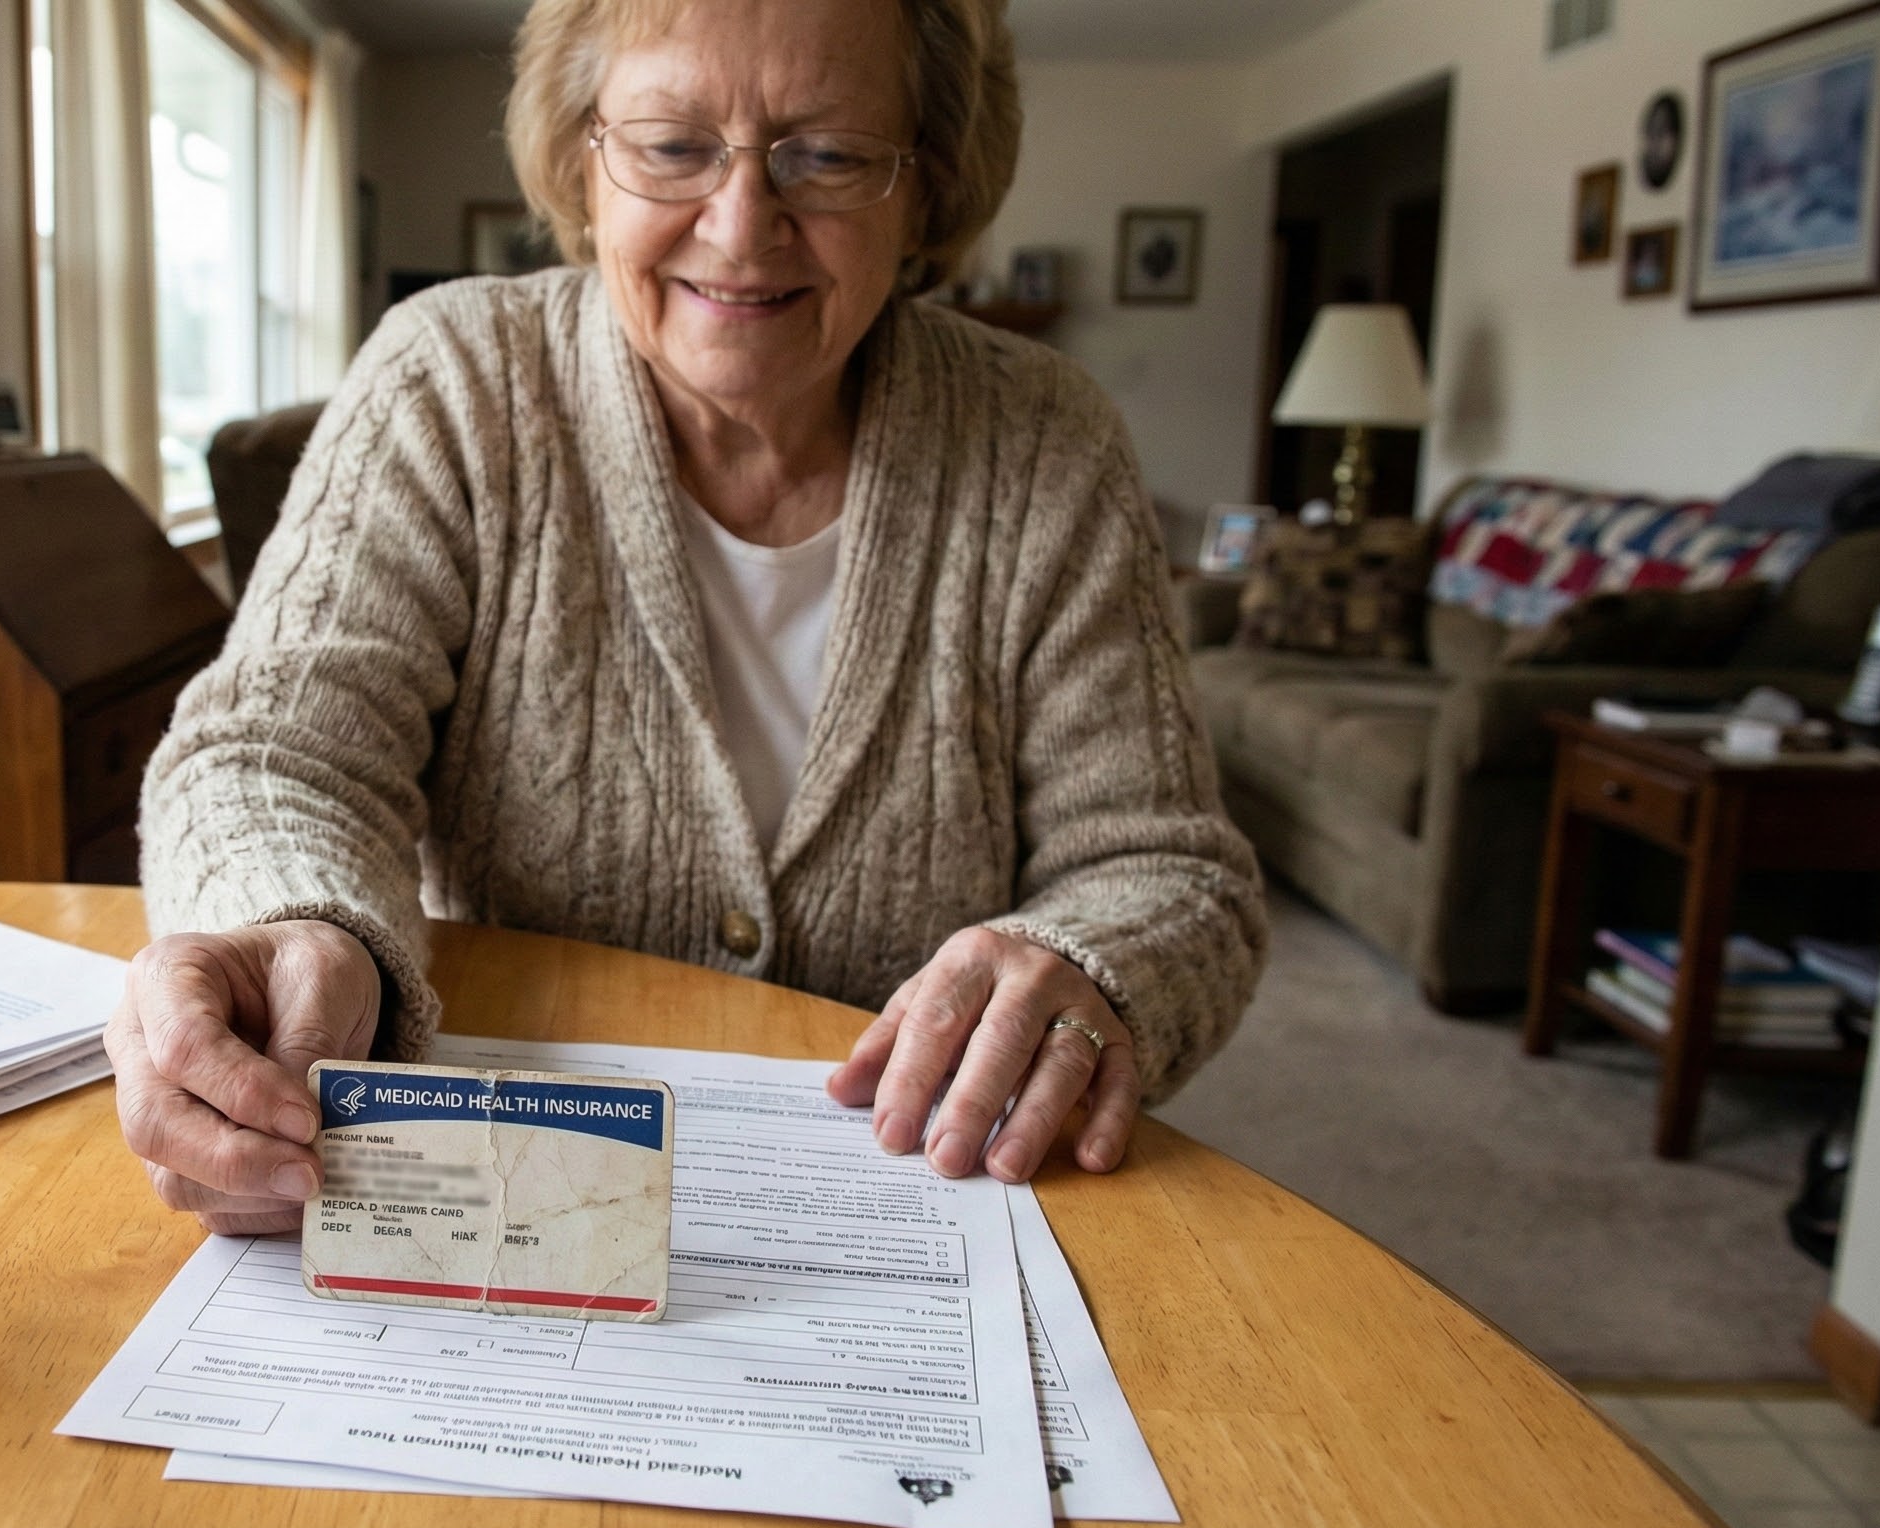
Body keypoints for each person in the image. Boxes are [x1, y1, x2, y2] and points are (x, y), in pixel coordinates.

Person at [108, 0, 1267, 1234]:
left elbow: (1166, 870)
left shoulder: (1046, 440)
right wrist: (295, 927)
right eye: (671, 146)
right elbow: (269, 752)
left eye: (827, 155)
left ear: (925, 185)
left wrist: (1084, 969)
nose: (740, 225)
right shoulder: (450, 378)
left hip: (909, 1210)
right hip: (507, 1196)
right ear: (582, 160)